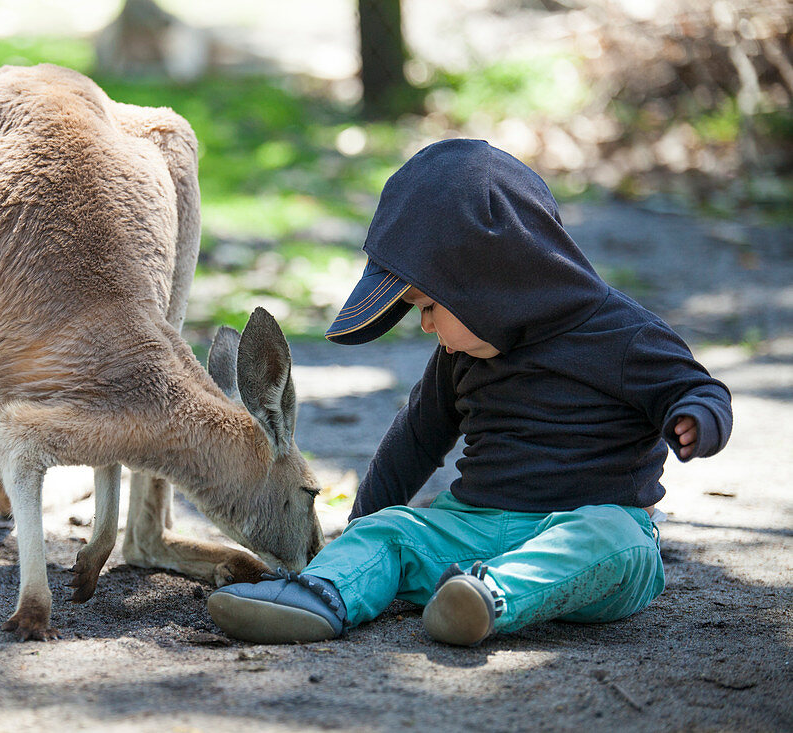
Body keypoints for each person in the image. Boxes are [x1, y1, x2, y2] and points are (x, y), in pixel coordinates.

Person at [206, 138, 733, 646]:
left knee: (619, 542)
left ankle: (486, 598)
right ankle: (319, 595)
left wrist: (696, 416)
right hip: (472, 528)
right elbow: (413, 440)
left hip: (584, 540)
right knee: (390, 529)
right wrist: (365, 530)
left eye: (428, 306)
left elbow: (698, 389)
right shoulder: (459, 358)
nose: (426, 326)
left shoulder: (624, 336)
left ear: (487, 285)